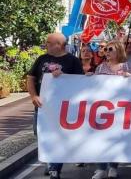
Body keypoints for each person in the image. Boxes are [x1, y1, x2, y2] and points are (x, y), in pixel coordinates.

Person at [27, 33, 83, 179]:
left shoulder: (73, 61)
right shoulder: (41, 59)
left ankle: (54, 169)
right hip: (42, 107)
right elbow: (30, 78)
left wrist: (64, 75)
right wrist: (34, 96)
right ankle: (51, 162)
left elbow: (81, 84)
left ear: (58, 44)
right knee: (41, 135)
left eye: (48, 42)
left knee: (59, 138)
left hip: (63, 109)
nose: (46, 44)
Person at [89, 40, 131, 179]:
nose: (106, 52)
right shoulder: (101, 67)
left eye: (110, 49)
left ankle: (113, 167)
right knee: (101, 138)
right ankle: (101, 168)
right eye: (106, 50)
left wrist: (130, 78)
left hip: (120, 109)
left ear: (119, 51)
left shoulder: (127, 66)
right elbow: (94, 86)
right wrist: (89, 78)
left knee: (116, 138)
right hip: (102, 109)